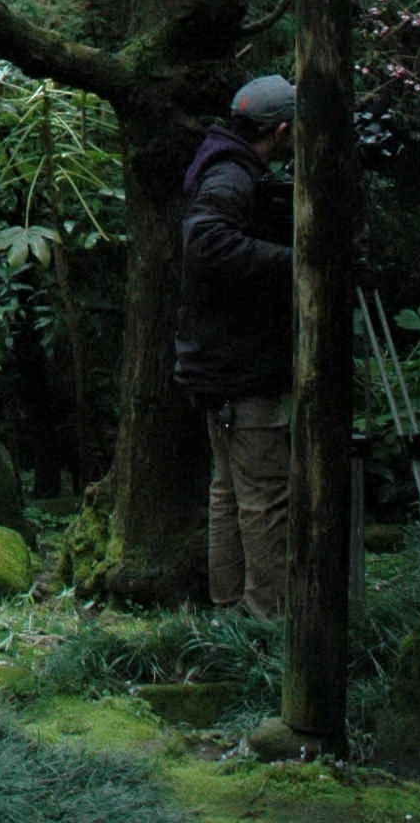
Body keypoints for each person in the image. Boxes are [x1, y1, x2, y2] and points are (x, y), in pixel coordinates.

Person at [174, 74, 298, 618]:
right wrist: (299, 261)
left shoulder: (221, 165)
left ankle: (230, 611)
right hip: (239, 365)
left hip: (214, 360)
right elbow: (207, 242)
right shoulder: (231, 177)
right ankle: (268, 618)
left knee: (229, 491)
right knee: (264, 495)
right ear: (282, 129)